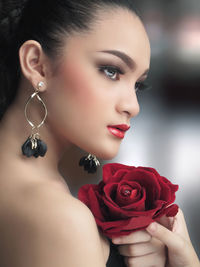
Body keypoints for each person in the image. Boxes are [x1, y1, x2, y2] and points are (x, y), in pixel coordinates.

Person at [0, 0, 199, 266]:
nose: (133, 106)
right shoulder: (61, 219)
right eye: (111, 71)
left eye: (139, 85)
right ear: (36, 64)